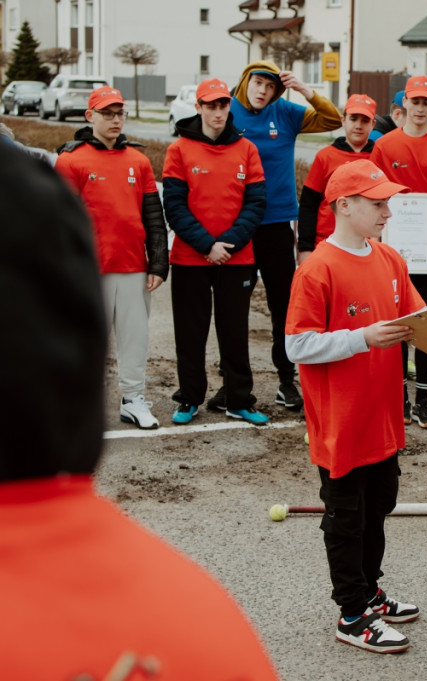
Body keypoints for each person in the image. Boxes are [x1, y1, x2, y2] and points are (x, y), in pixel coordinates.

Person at [0, 137, 280, 681]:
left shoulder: (139, 161)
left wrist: (159, 255)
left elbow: (162, 211)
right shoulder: (206, 624)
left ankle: (145, 396)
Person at [285, 159, 426, 654]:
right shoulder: (317, 268)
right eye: (378, 202)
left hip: (382, 419)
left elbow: (423, 319)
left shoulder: (389, 260)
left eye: (388, 201)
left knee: (379, 507)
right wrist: (361, 338)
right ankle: (350, 614)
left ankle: (369, 591)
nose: (389, 210)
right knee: (347, 519)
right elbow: (296, 346)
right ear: (344, 206)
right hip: (341, 425)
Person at [222, 60, 342, 412]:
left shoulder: (286, 113)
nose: (263, 91)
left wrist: (305, 89)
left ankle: (285, 380)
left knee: (283, 305)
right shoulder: (226, 111)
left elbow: (333, 119)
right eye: (258, 83)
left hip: (275, 224)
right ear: (246, 82)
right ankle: (231, 382)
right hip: (237, 225)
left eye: (271, 86)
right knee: (233, 309)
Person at [54, 86, 168, 430]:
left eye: (120, 113)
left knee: (135, 339)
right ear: (90, 116)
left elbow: (153, 216)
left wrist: (159, 263)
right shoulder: (70, 160)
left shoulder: (139, 160)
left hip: (133, 266)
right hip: (90, 270)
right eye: (108, 113)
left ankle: (133, 400)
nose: (116, 120)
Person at [163, 77, 268, 426]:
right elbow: (175, 206)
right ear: (199, 108)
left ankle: (239, 399)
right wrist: (208, 245)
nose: (218, 111)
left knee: (235, 332)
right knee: (191, 333)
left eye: (223, 105)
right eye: (211, 105)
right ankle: (189, 397)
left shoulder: (247, 149)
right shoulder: (179, 150)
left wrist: (228, 244)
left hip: (237, 258)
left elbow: (255, 205)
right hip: (191, 258)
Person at [370, 75, 427, 429]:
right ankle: (399, 397)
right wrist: (378, 247)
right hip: (393, 252)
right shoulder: (385, 146)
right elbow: (376, 199)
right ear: (404, 104)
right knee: (397, 327)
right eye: (416, 101)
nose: (421, 108)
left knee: (426, 326)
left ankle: (423, 399)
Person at [297, 93, 377, 263]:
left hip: (366, 246)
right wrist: (305, 248)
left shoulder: (379, 157)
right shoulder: (325, 156)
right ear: (343, 120)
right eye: (354, 118)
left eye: (365, 120)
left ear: (373, 124)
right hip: (326, 243)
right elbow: (308, 204)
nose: (358, 125)